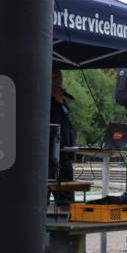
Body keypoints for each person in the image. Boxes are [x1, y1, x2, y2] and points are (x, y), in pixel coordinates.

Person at [48, 70, 76, 205]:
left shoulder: (63, 103)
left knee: (67, 200)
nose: (58, 81)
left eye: (60, 78)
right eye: (54, 78)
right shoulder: (46, 103)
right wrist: (56, 103)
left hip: (65, 158)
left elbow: (67, 127)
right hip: (48, 159)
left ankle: (66, 221)